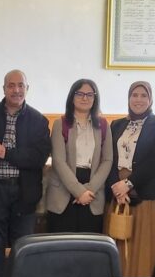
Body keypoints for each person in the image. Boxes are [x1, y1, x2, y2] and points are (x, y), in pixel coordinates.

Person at [0, 69, 51, 277]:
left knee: (23, 248)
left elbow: (37, 158)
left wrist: (7, 153)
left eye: (20, 85)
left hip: (24, 193)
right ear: (4, 89)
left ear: (27, 89)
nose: (16, 90)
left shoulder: (38, 120)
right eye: (11, 85)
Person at [106, 80, 155, 277]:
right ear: (128, 98)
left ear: (150, 99)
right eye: (134, 95)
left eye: (144, 95)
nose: (138, 99)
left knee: (145, 243)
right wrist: (116, 186)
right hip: (119, 192)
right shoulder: (116, 124)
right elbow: (109, 158)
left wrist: (128, 184)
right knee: (120, 235)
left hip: (148, 191)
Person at [46, 79, 113, 233]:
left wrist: (88, 190)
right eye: (80, 94)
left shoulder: (103, 125)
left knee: (89, 242)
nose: (85, 98)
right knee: (61, 242)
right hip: (64, 189)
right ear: (72, 97)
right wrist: (79, 192)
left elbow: (107, 160)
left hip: (92, 191)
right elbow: (58, 161)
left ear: (95, 98)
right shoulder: (60, 123)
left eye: (89, 94)